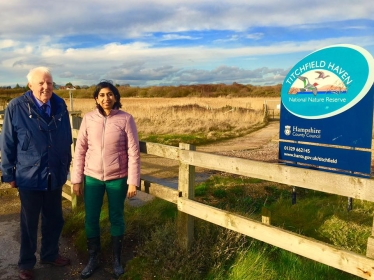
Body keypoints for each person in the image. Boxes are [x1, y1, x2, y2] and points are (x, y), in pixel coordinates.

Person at [0, 67, 72, 280]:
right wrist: (8, 173)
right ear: (30, 85)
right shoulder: (16, 107)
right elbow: (8, 143)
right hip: (28, 175)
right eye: (41, 83)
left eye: (49, 83)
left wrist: (66, 163)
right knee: (29, 222)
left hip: (55, 173)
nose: (45, 87)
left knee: (55, 219)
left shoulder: (60, 105)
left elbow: (66, 137)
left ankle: (50, 254)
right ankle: (26, 263)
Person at [71, 80, 140, 279]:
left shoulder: (126, 119)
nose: (106, 98)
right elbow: (80, 150)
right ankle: (93, 258)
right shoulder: (88, 119)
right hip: (92, 178)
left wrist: (132, 180)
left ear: (116, 97)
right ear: (96, 98)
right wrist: (77, 179)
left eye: (110, 94)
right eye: (101, 95)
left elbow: (133, 152)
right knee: (91, 218)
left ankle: (116, 259)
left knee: (116, 217)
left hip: (117, 178)